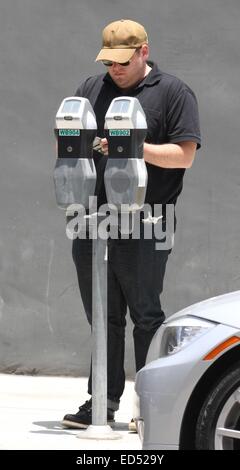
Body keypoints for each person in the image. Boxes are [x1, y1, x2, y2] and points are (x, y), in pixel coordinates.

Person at [62, 19, 201, 430]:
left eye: (123, 61)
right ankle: (100, 403)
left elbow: (184, 155)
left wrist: (133, 146)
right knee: (103, 317)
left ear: (144, 51)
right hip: (92, 218)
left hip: (147, 221)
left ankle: (151, 408)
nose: (115, 70)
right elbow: (65, 139)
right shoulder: (91, 89)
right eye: (109, 62)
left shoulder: (172, 92)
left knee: (145, 316)